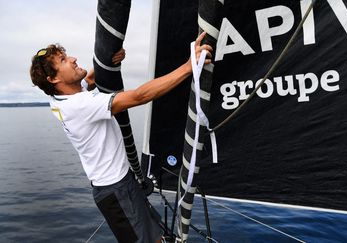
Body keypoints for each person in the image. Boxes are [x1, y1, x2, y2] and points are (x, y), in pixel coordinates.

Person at [29, 32, 213, 243]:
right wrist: (189, 67)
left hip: (120, 183)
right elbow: (139, 96)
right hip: (116, 192)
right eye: (63, 60)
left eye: (66, 55)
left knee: (157, 237)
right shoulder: (79, 105)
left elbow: (89, 79)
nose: (72, 59)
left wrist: (109, 60)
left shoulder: (60, 97)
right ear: (54, 78)